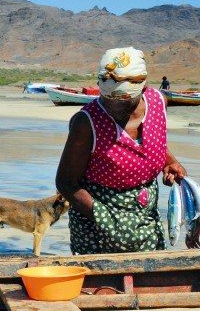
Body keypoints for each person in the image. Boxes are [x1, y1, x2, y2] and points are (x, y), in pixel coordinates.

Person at [56, 47, 199, 254]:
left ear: (143, 88)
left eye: (123, 102)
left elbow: (154, 142)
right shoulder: (86, 123)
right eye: (108, 100)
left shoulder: (158, 103)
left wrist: (169, 163)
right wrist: (107, 220)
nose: (114, 108)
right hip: (98, 227)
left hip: (147, 221)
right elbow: (66, 182)